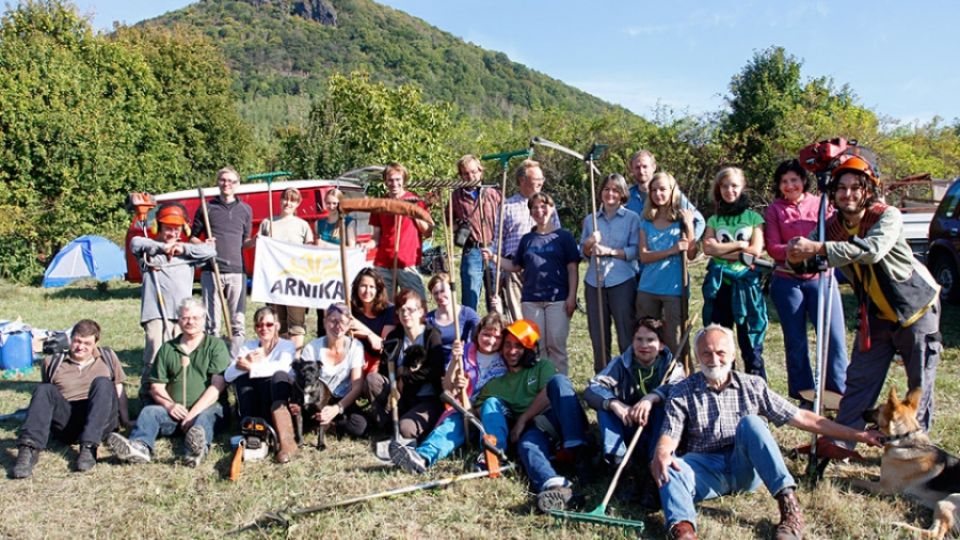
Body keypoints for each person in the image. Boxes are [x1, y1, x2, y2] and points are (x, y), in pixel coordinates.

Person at [651, 325, 882, 540]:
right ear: (697, 356)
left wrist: (856, 435)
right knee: (670, 466)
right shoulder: (683, 390)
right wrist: (662, 453)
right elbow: (670, 432)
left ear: (733, 355)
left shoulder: (753, 385)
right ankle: (683, 531)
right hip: (707, 470)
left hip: (746, 468)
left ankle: (790, 511)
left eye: (720, 352)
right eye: (706, 353)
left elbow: (802, 417)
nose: (713, 360)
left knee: (751, 423)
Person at [787, 155, 941, 440]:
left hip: (916, 310)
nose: (848, 194)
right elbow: (808, 258)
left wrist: (817, 247)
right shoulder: (831, 225)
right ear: (833, 193)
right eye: (842, 188)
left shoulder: (886, 215)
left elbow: (872, 250)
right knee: (859, 379)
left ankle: (913, 448)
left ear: (868, 190)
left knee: (919, 385)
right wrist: (796, 255)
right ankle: (842, 443)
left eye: (856, 187)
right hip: (875, 316)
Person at [477, 319, 591, 513]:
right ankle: (555, 488)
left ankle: (580, 453)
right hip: (537, 430)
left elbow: (549, 393)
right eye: (507, 345)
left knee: (559, 380)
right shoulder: (496, 384)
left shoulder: (542, 367)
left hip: (562, 420)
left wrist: (522, 420)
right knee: (527, 446)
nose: (512, 351)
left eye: (518, 346)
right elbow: (476, 409)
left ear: (529, 349)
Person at [108, 298, 230, 467]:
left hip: (205, 410)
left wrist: (192, 414)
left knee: (205, 418)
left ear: (204, 319)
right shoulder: (167, 348)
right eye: (185, 318)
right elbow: (156, 386)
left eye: (195, 318)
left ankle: (195, 452)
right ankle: (140, 447)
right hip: (175, 414)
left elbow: (218, 386)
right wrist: (170, 406)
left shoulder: (216, 346)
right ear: (179, 320)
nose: (190, 322)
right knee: (149, 412)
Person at [764, 159, 848, 408]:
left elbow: (836, 235)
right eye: (784, 182)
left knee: (834, 337)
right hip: (788, 282)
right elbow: (773, 247)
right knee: (795, 340)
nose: (790, 186)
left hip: (822, 278)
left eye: (794, 180)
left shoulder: (822, 204)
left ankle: (838, 394)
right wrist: (795, 252)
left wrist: (813, 252)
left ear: (803, 181)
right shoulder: (774, 210)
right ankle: (805, 395)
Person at [389, 312, 508, 473]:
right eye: (486, 334)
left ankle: (491, 455)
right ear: (478, 332)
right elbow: (447, 387)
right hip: (463, 411)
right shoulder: (464, 352)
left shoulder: (505, 359)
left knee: (491, 405)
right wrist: (454, 368)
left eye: (497, 337)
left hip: (487, 414)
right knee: (449, 427)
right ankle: (421, 458)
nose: (491, 340)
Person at [12, 320, 129, 478]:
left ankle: (89, 447)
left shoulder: (108, 357)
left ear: (96, 343)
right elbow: (45, 401)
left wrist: (126, 420)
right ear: (70, 339)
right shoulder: (52, 362)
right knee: (44, 389)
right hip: (68, 419)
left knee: (103, 382)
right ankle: (28, 450)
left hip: (100, 416)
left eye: (87, 343)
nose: (81, 347)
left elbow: (119, 388)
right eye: (77, 341)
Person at [484, 193, 579, 375]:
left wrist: (571, 297)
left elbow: (573, 268)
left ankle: (560, 386)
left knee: (556, 345)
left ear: (552, 209)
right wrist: (493, 257)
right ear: (530, 212)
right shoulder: (527, 239)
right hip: (531, 299)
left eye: (543, 206)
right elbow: (515, 265)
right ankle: (543, 387)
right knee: (538, 346)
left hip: (557, 299)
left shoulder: (563, 237)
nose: (539, 211)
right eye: (534, 208)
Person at [130, 202, 215, 401]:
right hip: (156, 313)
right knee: (154, 356)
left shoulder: (187, 252)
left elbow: (210, 252)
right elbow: (135, 242)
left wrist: (180, 248)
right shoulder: (149, 251)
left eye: (176, 229)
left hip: (182, 316)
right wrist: (164, 247)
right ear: (159, 228)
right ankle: (147, 397)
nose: (172, 233)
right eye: (168, 228)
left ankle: (174, 395)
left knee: (179, 357)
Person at [583, 318, 683, 475]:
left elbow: (679, 389)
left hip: (657, 431)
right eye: (639, 339)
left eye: (650, 340)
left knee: (665, 409)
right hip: (629, 425)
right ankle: (619, 463)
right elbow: (593, 388)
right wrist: (615, 404)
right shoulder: (621, 363)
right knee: (605, 408)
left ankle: (654, 465)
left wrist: (652, 397)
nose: (644, 345)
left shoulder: (672, 367)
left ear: (661, 344)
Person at [701, 167, 768, 378]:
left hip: (747, 287)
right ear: (718, 189)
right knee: (719, 342)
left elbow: (755, 251)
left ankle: (757, 392)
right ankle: (724, 386)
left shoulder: (753, 218)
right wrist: (740, 245)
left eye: (734, 186)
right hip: (720, 287)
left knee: (750, 344)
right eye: (724, 186)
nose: (729, 190)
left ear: (742, 187)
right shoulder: (714, 220)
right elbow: (707, 249)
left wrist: (722, 251)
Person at [579, 173, 641, 372]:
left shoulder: (632, 218)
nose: (610, 193)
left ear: (622, 193)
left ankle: (629, 377)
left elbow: (636, 251)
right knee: (598, 336)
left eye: (615, 190)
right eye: (606, 189)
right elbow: (584, 252)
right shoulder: (591, 220)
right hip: (594, 281)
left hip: (622, 280)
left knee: (625, 334)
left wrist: (610, 251)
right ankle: (603, 380)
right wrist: (589, 244)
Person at [365, 289, 445, 441]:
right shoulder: (394, 336)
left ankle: (406, 424)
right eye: (401, 310)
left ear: (421, 312)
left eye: (410, 309)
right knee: (372, 380)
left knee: (405, 429)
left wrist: (404, 377)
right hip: (400, 395)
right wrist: (394, 384)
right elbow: (384, 367)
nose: (405, 314)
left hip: (426, 397)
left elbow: (434, 371)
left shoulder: (431, 335)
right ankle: (388, 422)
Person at [223, 306, 298, 463]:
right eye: (259, 325)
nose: (264, 328)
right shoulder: (248, 347)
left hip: (274, 399)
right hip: (252, 398)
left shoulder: (287, 346)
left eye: (269, 324)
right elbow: (228, 376)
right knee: (242, 379)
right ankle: (250, 426)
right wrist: (241, 365)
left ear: (277, 325)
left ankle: (276, 430)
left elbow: (283, 369)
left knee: (275, 377)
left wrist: (251, 367)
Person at [489, 159, 561, 322]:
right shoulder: (507, 206)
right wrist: (497, 278)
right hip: (515, 268)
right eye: (537, 180)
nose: (540, 184)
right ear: (523, 180)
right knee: (519, 320)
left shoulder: (549, 206)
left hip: (543, 268)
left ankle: (541, 347)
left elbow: (557, 237)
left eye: (542, 180)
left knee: (543, 318)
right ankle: (525, 346)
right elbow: (498, 243)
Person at [190, 166, 253, 351]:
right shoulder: (206, 207)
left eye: (231, 181)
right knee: (212, 325)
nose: (227, 184)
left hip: (237, 271)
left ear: (237, 185)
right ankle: (214, 363)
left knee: (238, 323)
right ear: (218, 182)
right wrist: (203, 244)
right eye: (223, 180)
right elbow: (192, 237)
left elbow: (246, 242)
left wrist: (256, 241)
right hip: (212, 270)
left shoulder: (245, 210)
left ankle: (236, 363)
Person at [636, 172, 697, 358]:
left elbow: (692, 254)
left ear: (672, 191)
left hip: (674, 290)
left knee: (675, 340)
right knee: (648, 337)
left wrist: (689, 226)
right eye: (654, 190)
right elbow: (644, 257)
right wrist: (671, 250)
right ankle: (653, 377)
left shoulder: (680, 220)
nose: (658, 194)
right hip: (648, 288)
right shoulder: (646, 221)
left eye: (662, 189)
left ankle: (679, 379)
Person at [297, 303, 368, 444]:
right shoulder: (312, 348)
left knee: (360, 426)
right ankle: (318, 421)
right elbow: (303, 382)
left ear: (348, 325)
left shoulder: (356, 347)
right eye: (333, 321)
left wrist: (337, 408)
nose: (337, 326)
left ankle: (331, 424)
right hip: (316, 400)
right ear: (324, 322)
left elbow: (357, 386)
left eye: (342, 321)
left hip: (342, 400)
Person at [362, 163, 432, 301]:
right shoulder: (381, 203)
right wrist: (366, 245)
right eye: (390, 180)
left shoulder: (415, 201)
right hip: (384, 262)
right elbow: (376, 237)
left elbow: (427, 232)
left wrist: (411, 211)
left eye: (398, 179)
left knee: (416, 303)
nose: (394, 183)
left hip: (407, 261)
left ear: (403, 180)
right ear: (385, 181)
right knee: (384, 306)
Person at [259, 187, 314, 350]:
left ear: (298, 204)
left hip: (295, 281)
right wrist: (262, 240)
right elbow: (257, 248)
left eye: (292, 200)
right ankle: (281, 356)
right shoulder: (268, 222)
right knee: (278, 322)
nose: (288, 203)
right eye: (285, 199)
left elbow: (310, 252)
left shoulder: (302, 226)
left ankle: (296, 358)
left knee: (296, 324)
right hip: (274, 280)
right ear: (280, 200)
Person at [449, 155, 501, 311]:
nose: (470, 176)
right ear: (461, 175)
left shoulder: (493, 193)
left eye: (473, 172)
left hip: (494, 249)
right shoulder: (456, 196)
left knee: (496, 296)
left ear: (480, 172)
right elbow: (448, 220)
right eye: (465, 173)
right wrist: (459, 227)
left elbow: (505, 220)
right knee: (470, 297)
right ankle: (470, 331)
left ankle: (495, 329)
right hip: (472, 250)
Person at [624, 150, 705, 242]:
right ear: (632, 169)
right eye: (637, 167)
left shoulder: (673, 194)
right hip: (637, 254)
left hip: (668, 253)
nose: (641, 171)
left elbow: (699, 221)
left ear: (654, 167)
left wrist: (688, 245)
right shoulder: (626, 197)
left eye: (645, 166)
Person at [348, 268, 396, 377]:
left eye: (371, 287)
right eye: (363, 286)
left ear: (378, 289)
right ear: (356, 288)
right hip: (353, 362)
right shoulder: (350, 309)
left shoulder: (389, 310)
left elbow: (384, 345)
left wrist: (363, 330)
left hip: (378, 365)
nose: (367, 291)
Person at [425, 273, 480, 365]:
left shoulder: (467, 313)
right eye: (435, 293)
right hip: (439, 366)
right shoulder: (429, 319)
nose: (439, 296)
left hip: (463, 364)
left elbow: (483, 330)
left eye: (442, 291)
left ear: (452, 290)